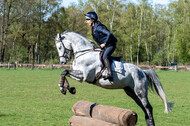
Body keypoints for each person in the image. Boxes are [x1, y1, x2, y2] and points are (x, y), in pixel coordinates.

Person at [85, 11, 117, 81]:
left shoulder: (99, 27)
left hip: (110, 45)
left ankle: (110, 74)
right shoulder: (93, 28)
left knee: (105, 56)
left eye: (88, 19)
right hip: (105, 46)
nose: (87, 21)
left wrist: (104, 43)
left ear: (93, 20)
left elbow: (109, 34)